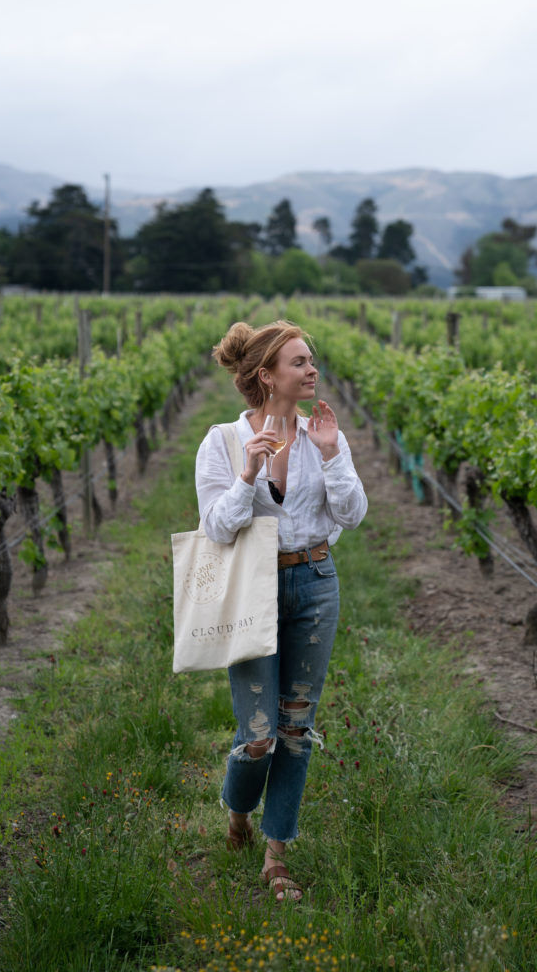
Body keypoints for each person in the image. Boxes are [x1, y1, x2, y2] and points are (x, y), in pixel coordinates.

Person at [195, 319, 367, 901]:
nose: (312, 369)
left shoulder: (327, 436)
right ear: (267, 376)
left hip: (316, 582)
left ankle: (276, 857)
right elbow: (216, 528)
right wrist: (247, 473)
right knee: (260, 735)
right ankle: (238, 808)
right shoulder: (221, 440)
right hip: (251, 587)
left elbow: (353, 515)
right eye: (298, 361)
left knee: (296, 729)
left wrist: (331, 456)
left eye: (311, 359)